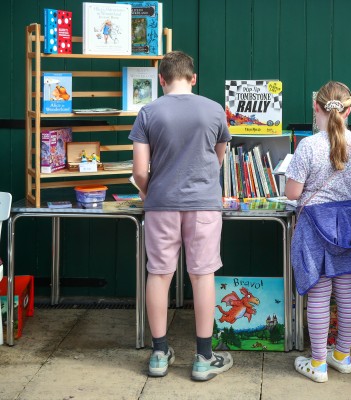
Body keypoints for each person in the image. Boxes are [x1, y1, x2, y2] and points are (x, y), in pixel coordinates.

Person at [129, 51, 233, 381]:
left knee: (159, 273)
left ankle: (159, 354)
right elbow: (219, 157)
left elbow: (139, 170)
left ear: (161, 80)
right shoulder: (214, 110)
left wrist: (150, 192)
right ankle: (204, 358)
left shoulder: (148, 112)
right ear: (193, 78)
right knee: (202, 275)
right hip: (203, 204)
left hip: (160, 204)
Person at [285, 81, 351, 383]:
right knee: (347, 293)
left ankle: (318, 363)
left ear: (315, 108)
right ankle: (342, 356)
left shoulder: (307, 146)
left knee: (319, 294)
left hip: (315, 227)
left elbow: (293, 193)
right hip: (347, 225)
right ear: (349, 110)